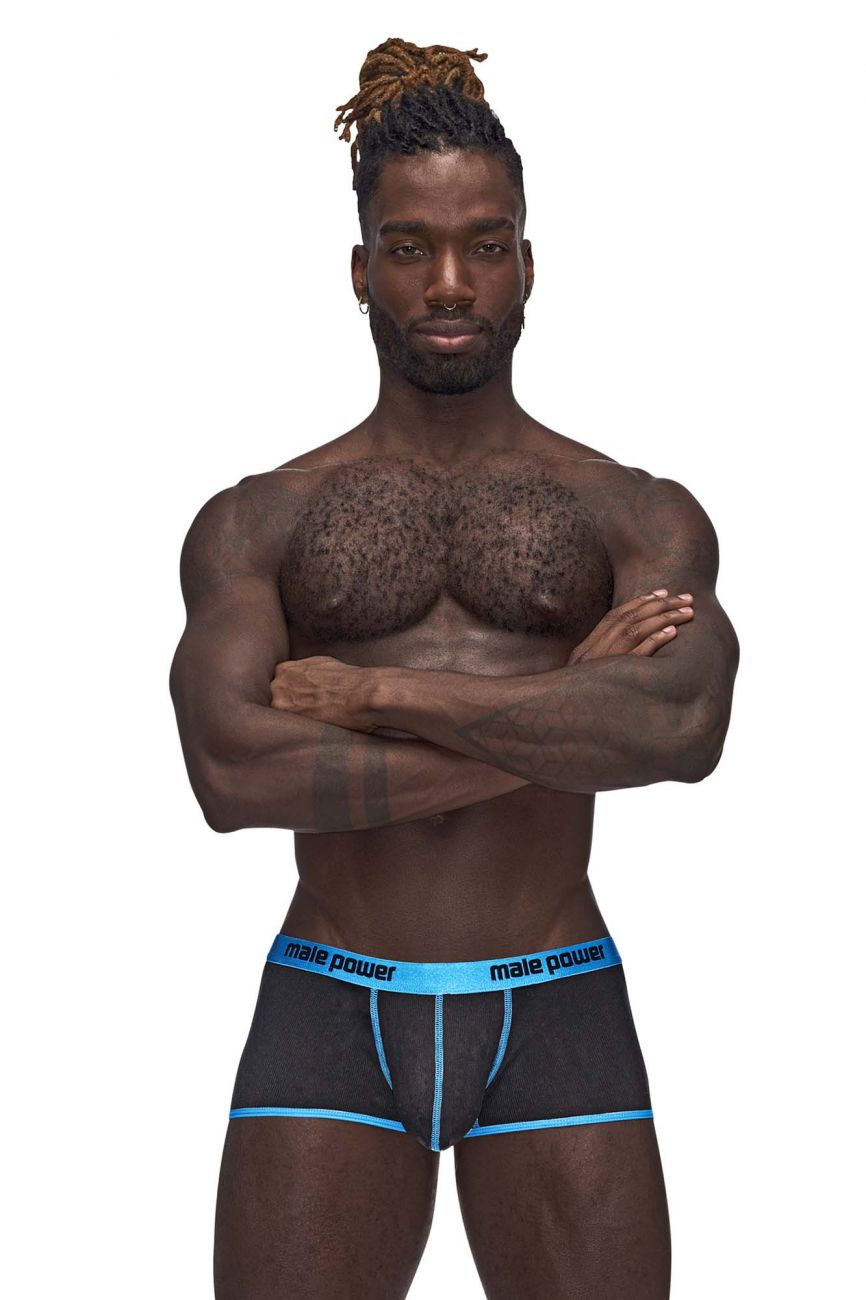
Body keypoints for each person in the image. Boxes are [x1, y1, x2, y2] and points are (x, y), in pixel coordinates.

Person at [169, 35, 739, 1300]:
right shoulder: (258, 519)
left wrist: (379, 693)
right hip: (330, 1001)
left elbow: (681, 726)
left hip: (555, 999)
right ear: (358, 268)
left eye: (483, 246)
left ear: (526, 264)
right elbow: (229, 768)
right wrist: (565, 706)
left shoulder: (630, 511)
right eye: (409, 246)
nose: (446, 282)